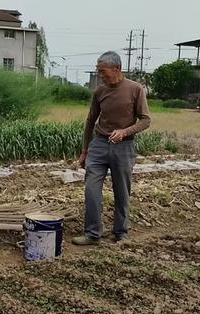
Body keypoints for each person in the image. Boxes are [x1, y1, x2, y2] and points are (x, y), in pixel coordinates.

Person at [72, 51, 151, 245]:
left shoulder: (135, 89)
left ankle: (121, 232)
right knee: (91, 189)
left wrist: (125, 131)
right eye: (99, 71)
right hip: (99, 144)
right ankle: (92, 234)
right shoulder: (100, 91)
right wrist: (84, 151)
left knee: (121, 191)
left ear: (117, 69)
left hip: (123, 146)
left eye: (103, 71)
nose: (101, 75)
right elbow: (90, 121)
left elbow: (146, 120)